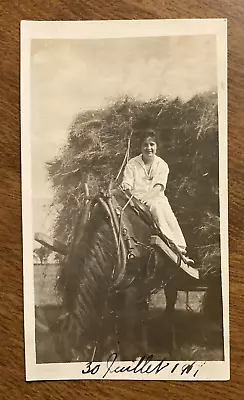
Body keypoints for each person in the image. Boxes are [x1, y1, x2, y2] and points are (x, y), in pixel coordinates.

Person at [121, 130, 193, 264]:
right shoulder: (132, 164)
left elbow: (159, 187)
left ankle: (176, 245)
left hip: (155, 198)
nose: (149, 148)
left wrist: (146, 199)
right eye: (145, 145)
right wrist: (126, 186)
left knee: (160, 209)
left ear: (156, 146)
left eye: (152, 144)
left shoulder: (162, 165)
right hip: (135, 199)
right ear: (141, 147)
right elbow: (127, 181)